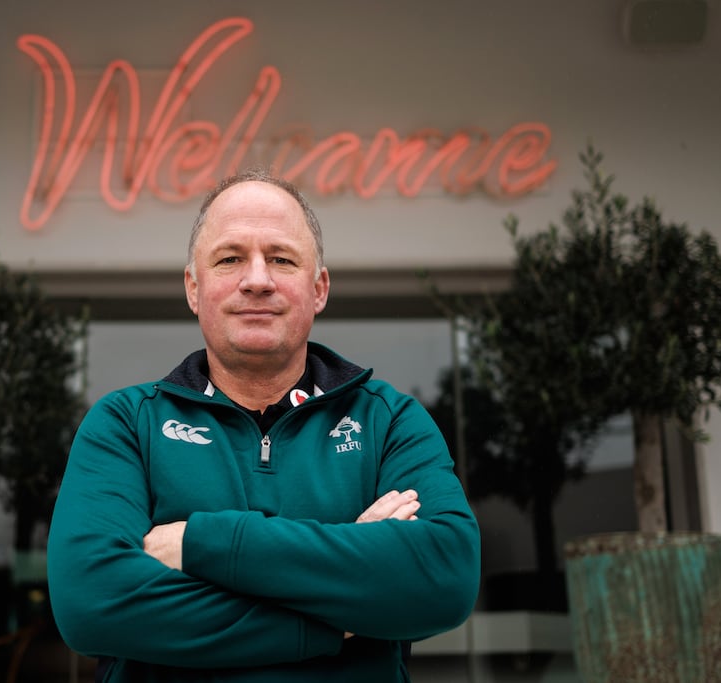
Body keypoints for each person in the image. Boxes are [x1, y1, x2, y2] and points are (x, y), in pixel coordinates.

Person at [47, 168, 480, 682]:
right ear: (193, 287)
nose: (257, 279)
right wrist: (334, 612)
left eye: (281, 258)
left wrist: (199, 544)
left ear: (318, 288)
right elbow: (92, 602)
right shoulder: (126, 425)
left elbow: (444, 578)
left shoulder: (388, 422)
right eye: (230, 258)